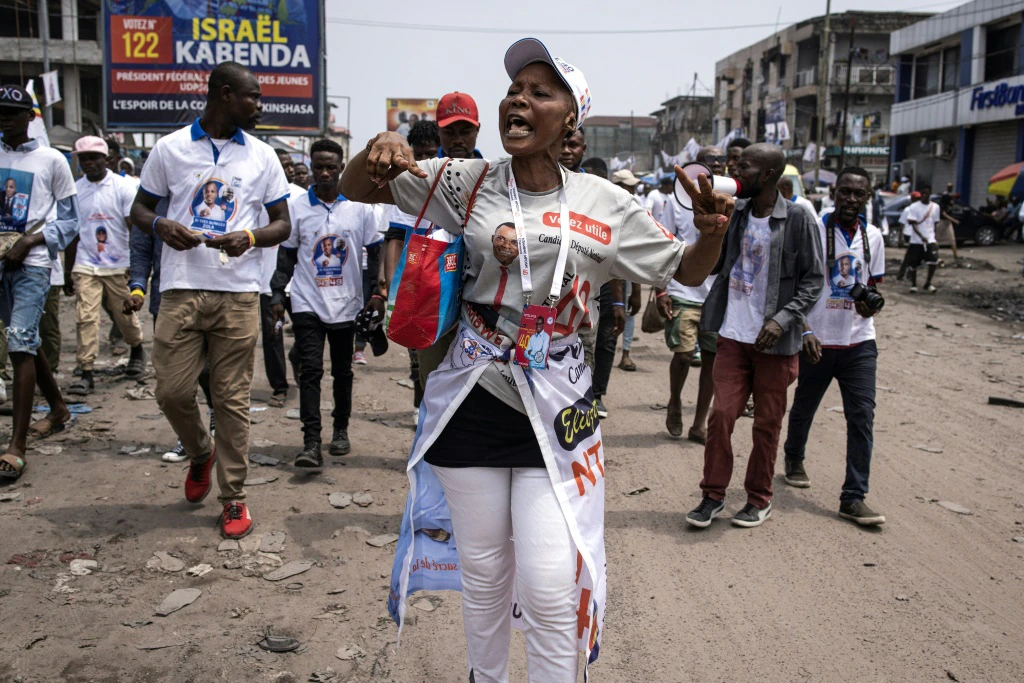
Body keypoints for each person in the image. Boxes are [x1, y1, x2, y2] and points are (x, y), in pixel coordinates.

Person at [340, 37, 732, 682]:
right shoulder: (464, 179)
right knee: (487, 578)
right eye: (514, 90)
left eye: (539, 92)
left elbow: (683, 269)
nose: (519, 100)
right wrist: (373, 155)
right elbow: (364, 188)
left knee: (550, 587)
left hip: (559, 408)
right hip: (472, 398)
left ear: (569, 119)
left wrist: (712, 234)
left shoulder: (605, 202)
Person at [129, 62, 291, 540]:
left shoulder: (263, 156)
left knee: (232, 400)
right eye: (253, 98)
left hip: (238, 293)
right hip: (180, 288)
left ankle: (233, 497)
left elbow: (282, 223)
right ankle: (200, 453)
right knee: (172, 392)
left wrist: (250, 236)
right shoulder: (171, 148)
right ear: (225, 95)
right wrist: (162, 226)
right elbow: (139, 209)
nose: (260, 106)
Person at [687, 142, 824, 530]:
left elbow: (814, 281)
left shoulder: (799, 219)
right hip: (733, 334)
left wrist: (781, 321)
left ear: (766, 175)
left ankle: (758, 498)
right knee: (721, 416)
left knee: (767, 423)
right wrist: (709, 230)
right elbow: (713, 265)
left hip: (775, 344)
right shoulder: (737, 214)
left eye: (743, 166)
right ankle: (712, 495)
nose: (734, 170)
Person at [783, 166, 886, 526]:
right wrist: (805, 329)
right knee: (805, 406)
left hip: (859, 341)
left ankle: (853, 497)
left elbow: (874, 284)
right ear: (834, 193)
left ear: (868, 198)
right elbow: (796, 286)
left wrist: (868, 304)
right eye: (845, 192)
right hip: (818, 339)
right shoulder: (814, 229)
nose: (851, 200)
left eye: (859, 194)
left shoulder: (873, 236)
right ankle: (794, 456)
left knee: (862, 417)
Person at [272, 139, 383, 468]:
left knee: (342, 372)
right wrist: (278, 294)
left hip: (347, 305)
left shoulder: (360, 206)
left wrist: (377, 293)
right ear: (311, 164)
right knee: (310, 372)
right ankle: (310, 442)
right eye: (318, 166)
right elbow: (287, 256)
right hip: (307, 301)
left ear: (341, 167)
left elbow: (375, 252)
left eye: (331, 167)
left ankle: (340, 430)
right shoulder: (297, 208)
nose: (324, 173)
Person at [0, 83, 80, 482]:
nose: (5, 119)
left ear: (30, 117)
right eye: (0, 112)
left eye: (13, 112)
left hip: (32, 263)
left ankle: (16, 446)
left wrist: (31, 240)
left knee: (18, 341)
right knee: (25, 340)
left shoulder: (53, 161)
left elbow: (69, 220)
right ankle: (60, 409)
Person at [383, 94, 484, 388]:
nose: (457, 139)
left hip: (482, 309)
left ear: (478, 130)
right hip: (432, 304)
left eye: (465, 131)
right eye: (449, 131)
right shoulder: (421, 176)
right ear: (439, 130)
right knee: (435, 390)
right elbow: (397, 238)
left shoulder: (495, 176)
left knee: (479, 395)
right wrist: (394, 293)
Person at [63, 135, 145, 396]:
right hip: (86, 264)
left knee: (125, 316)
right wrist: (68, 271)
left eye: (93, 158)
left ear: (106, 159)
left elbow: (134, 229)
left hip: (119, 263)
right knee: (85, 318)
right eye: (83, 158)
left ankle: (137, 349)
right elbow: (73, 235)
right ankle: (86, 372)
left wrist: (136, 265)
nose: (88, 163)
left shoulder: (122, 188)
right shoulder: (75, 190)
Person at [656, 145, 724, 443]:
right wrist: (661, 290)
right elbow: (663, 245)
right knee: (683, 355)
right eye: (711, 161)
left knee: (711, 361)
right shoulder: (675, 202)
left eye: (721, 161)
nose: (717, 164)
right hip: (683, 290)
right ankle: (674, 401)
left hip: (717, 296)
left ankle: (699, 424)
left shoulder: (731, 203)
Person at [382, 119, 442, 423]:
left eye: (433, 152)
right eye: (422, 154)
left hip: (449, 281)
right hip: (415, 283)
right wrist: (390, 286)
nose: (427, 160)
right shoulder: (408, 183)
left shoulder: (462, 173)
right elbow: (394, 237)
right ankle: (422, 407)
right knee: (417, 354)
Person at [258, 155, 305, 408]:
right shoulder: (256, 195)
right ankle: (279, 385)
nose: (287, 169)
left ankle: (297, 359)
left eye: (289, 165)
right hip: (267, 281)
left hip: (300, 281)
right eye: (282, 164)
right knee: (272, 335)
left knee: (305, 333)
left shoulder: (300, 196)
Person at [609, 169, 643, 372]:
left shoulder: (635, 208)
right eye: (628, 185)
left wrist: (637, 287)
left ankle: (626, 353)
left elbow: (636, 248)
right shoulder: (601, 205)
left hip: (626, 270)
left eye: (632, 186)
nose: (632, 189)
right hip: (603, 270)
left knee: (628, 312)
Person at [904, 185, 939, 293]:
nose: (924, 196)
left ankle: (928, 283)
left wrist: (933, 237)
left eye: (926, 193)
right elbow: (913, 224)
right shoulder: (914, 207)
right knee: (914, 263)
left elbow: (935, 223)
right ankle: (914, 284)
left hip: (930, 239)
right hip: (916, 241)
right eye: (922, 193)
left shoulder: (935, 207)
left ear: (930, 194)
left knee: (933, 261)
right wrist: (921, 236)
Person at [936, 182, 960, 261]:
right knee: (936, 239)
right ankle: (933, 254)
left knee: (952, 239)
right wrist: (954, 220)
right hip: (942, 222)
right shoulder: (943, 203)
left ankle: (956, 256)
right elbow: (944, 214)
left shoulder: (949, 201)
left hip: (948, 223)